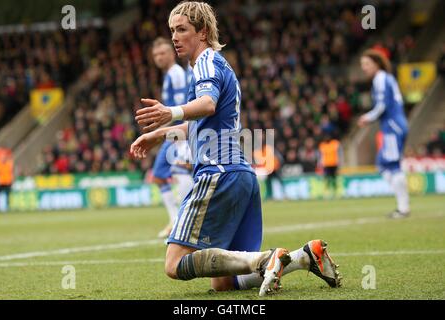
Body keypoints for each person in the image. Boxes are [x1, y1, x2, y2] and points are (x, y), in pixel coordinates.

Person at [131, 1, 341, 296]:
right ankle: (303, 257)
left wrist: (171, 112)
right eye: (172, 31)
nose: (175, 37)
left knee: (174, 264)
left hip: (218, 172)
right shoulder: (219, 65)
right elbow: (204, 120)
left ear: (202, 32)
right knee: (224, 280)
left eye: (182, 29)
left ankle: (267, 260)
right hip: (240, 174)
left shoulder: (205, 62)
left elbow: (207, 105)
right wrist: (163, 134)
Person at [358, 49, 410, 219]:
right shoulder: (386, 78)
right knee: (382, 164)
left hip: (392, 125)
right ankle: (402, 205)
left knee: (392, 164)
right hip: (393, 124)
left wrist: (367, 117)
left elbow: (382, 105)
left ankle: (403, 208)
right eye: (362, 65)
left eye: (366, 64)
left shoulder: (380, 78)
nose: (364, 68)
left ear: (377, 63)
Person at [150, 37, 194, 238]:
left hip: (179, 131)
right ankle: (177, 220)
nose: (159, 58)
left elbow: (179, 108)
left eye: (162, 53)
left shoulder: (176, 74)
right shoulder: (170, 75)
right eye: (155, 55)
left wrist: (161, 132)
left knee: (180, 170)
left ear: (171, 54)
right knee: (160, 175)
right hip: (175, 131)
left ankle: (183, 221)